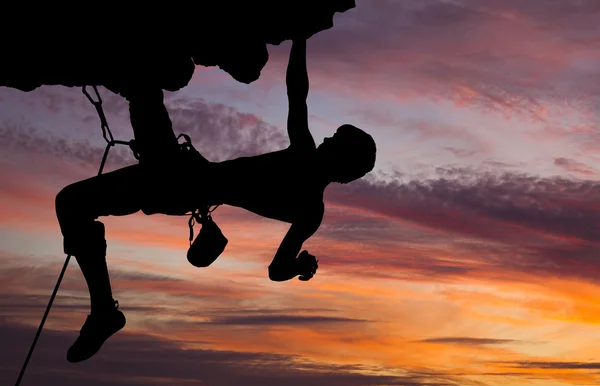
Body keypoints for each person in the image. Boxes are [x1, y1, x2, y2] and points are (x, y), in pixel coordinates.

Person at [55, 38, 377, 363]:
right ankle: (102, 311)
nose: (326, 138)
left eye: (335, 140)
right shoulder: (310, 208)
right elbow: (277, 270)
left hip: (181, 182)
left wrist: (301, 37)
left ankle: (103, 312)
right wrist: (298, 265)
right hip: (185, 179)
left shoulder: (305, 163)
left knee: (140, 89)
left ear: (341, 160)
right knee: (74, 199)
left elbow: (297, 90)